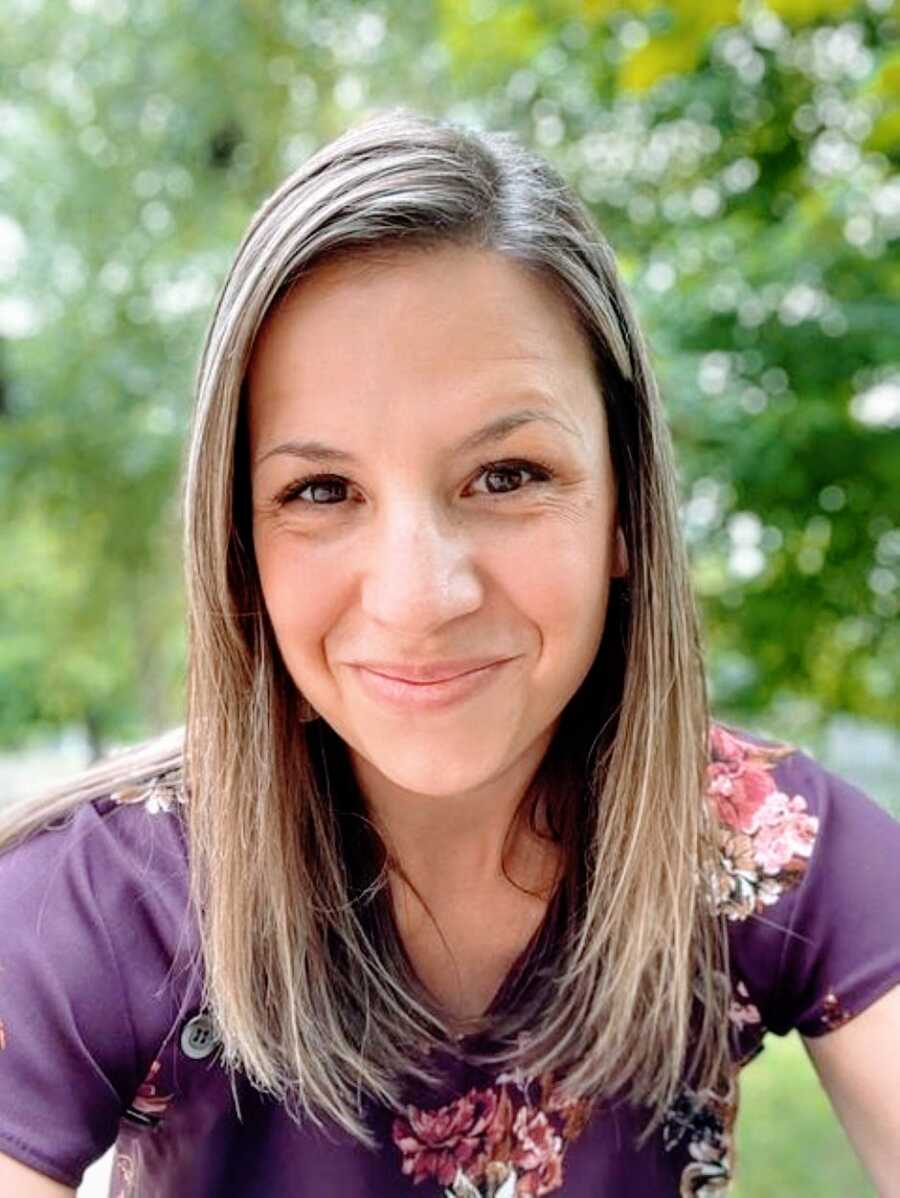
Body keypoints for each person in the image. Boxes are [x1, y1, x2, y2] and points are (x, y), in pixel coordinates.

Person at [0, 106, 897, 1198]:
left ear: (625, 509)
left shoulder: (767, 845)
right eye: (320, 491)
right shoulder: (99, 898)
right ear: (239, 544)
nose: (421, 597)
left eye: (507, 475)